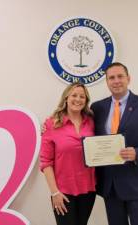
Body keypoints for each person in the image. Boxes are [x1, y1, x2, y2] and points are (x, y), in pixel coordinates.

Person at [90, 62, 138, 225]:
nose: (116, 81)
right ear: (107, 81)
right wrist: (52, 124)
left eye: (120, 76)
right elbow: (83, 129)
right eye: (111, 78)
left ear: (128, 78)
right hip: (110, 184)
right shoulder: (97, 108)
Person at [40, 82, 96, 225]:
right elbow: (46, 162)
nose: (78, 99)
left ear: (86, 101)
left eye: (82, 97)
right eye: (74, 95)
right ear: (66, 98)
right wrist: (55, 193)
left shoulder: (91, 122)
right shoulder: (52, 124)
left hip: (88, 190)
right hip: (63, 192)